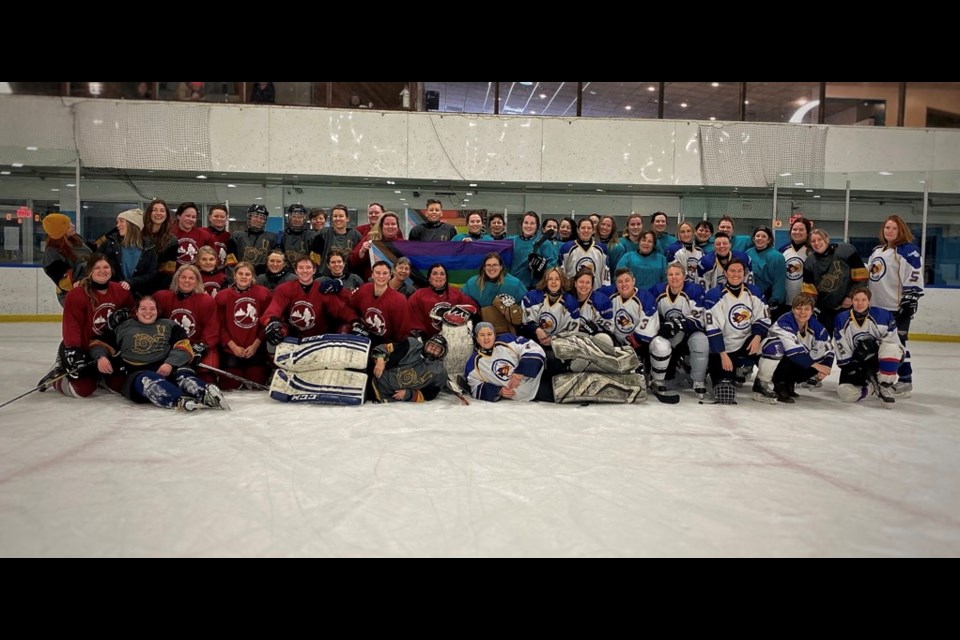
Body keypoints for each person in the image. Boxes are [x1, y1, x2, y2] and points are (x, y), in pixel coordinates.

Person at [90, 295, 227, 411]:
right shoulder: (124, 327)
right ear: (136, 311)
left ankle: (204, 393)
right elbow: (98, 344)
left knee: (183, 377)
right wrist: (101, 357)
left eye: (152, 309)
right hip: (136, 372)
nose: (148, 312)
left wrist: (170, 363)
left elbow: (184, 346)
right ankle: (178, 400)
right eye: (143, 308)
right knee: (148, 379)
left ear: (158, 311)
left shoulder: (169, 325)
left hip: (167, 367)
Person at [37, 253, 134, 397]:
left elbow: (133, 313)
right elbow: (71, 326)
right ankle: (58, 377)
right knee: (82, 390)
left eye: (106, 267)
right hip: (82, 347)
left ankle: (100, 377)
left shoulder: (121, 292)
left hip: (106, 347)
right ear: (89, 272)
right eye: (97, 268)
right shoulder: (77, 294)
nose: (102, 271)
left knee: (119, 385)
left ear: (112, 270)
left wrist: (127, 314)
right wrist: (74, 350)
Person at [867, 214, 923, 398]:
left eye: (894, 228)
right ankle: (880, 377)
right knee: (879, 345)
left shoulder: (908, 250)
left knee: (898, 345)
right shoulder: (877, 251)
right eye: (887, 228)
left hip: (895, 307)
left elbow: (914, 274)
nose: (889, 231)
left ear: (901, 231)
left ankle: (906, 380)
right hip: (876, 307)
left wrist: (910, 299)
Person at [703, 259, 769, 402]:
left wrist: (757, 337)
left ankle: (762, 382)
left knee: (773, 345)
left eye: (740, 271)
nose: (736, 274)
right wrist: (723, 355)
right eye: (732, 271)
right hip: (724, 349)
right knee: (725, 393)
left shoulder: (754, 292)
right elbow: (713, 328)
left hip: (747, 342)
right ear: (725, 273)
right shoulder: (714, 295)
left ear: (745, 274)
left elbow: (762, 318)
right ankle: (732, 370)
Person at [752, 293, 834, 404]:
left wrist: (826, 366)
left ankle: (788, 382)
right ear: (792, 309)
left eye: (806, 309)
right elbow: (792, 352)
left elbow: (828, 348)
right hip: (768, 357)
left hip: (790, 358)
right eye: (798, 308)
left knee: (816, 359)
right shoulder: (784, 321)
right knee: (780, 349)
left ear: (812, 310)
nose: (802, 312)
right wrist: (817, 366)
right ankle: (769, 383)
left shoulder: (816, 325)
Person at [261, 256, 359, 345]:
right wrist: (271, 322)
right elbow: (274, 308)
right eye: (301, 268)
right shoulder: (284, 289)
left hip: (320, 338)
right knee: (275, 331)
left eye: (308, 268)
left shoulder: (322, 289)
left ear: (314, 270)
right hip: (293, 337)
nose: (304, 271)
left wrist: (355, 321)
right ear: (295, 271)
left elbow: (341, 309)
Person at [834, 286, 904, 408]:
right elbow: (841, 346)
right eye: (856, 300)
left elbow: (893, 344)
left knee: (891, 349)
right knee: (845, 393)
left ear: (869, 301)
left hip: (878, 360)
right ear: (851, 301)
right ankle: (871, 387)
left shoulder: (883, 316)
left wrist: (873, 350)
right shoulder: (841, 319)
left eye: (863, 300)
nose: (860, 303)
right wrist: (857, 368)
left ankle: (885, 385)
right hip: (857, 363)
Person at [648, 264, 709, 400]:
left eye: (677, 274)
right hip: (669, 335)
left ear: (684, 276)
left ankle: (698, 379)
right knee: (659, 343)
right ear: (666, 277)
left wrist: (678, 324)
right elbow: (649, 313)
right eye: (670, 274)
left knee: (701, 341)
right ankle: (658, 378)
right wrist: (664, 326)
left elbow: (700, 320)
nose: (674, 277)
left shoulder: (694, 290)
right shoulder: (657, 290)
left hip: (690, 333)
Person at [153, 264, 220, 382]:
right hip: (172, 347)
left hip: (197, 345)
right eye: (183, 277)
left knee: (207, 379)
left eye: (191, 278)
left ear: (197, 281)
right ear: (177, 278)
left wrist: (199, 348)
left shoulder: (206, 301)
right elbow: (147, 316)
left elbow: (212, 329)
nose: (187, 281)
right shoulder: (161, 297)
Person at [214, 261, 272, 391]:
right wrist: (233, 347)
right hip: (232, 350)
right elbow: (220, 325)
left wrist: (255, 345)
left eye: (247, 274)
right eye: (240, 273)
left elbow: (266, 323)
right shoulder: (222, 296)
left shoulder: (263, 294)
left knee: (256, 382)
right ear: (234, 275)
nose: (244, 277)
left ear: (253, 277)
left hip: (255, 349)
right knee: (231, 385)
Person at [801, 228, 868, 334]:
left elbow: (861, 277)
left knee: (848, 336)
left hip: (849, 305)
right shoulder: (810, 262)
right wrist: (813, 307)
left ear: (827, 239)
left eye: (820, 239)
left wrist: (852, 296)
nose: (817, 243)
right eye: (813, 241)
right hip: (825, 308)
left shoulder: (846, 250)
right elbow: (809, 290)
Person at [465, 322, 549, 402]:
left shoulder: (506, 340)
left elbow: (533, 348)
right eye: (482, 335)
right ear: (477, 338)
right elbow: (475, 386)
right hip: (525, 394)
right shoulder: (473, 363)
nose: (486, 338)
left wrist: (521, 371)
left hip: (538, 376)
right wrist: (498, 391)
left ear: (494, 335)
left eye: (489, 334)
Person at [92, 208, 158, 297]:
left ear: (132, 224)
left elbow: (151, 274)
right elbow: (93, 263)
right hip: (111, 294)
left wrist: (131, 282)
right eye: (117, 222)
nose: (118, 225)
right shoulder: (110, 243)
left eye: (121, 221)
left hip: (138, 296)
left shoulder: (149, 248)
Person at [461, 252, 528, 334]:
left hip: (508, 332)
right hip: (480, 331)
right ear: (484, 267)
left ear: (501, 267)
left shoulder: (514, 284)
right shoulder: (472, 284)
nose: (491, 268)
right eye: (488, 265)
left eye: (495, 265)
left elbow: (526, 308)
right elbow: (463, 305)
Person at [369, 334, 449, 403]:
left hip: (385, 396)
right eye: (431, 345)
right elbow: (384, 348)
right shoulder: (411, 346)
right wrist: (380, 360)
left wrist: (409, 394)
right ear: (426, 344)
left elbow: (430, 394)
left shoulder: (440, 373)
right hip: (371, 376)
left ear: (442, 354)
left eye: (437, 349)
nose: (433, 349)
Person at [349, 261, 411, 345]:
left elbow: (402, 333)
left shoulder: (399, 300)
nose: (381, 276)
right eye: (377, 273)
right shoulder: (364, 289)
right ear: (372, 275)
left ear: (390, 276)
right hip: (364, 335)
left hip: (384, 343)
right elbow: (350, 306)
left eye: (385, 273)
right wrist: (355, 321)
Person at [408, 263, 477, 339]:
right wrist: (420, 336)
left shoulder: (456, 293)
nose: (438, 276)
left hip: (454, 339)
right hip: (428, 340)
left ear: (446, 278)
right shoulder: (419, 295)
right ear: (429, 278)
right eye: (435, 273)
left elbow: (473, 308)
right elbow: (410, 315)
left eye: (442, 274)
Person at [41, 213, 92, 307]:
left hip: (89, 287)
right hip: (71, 293)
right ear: (60, 231)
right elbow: (64, 282)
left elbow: (95, 249)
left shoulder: (76, 239)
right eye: (68, 226)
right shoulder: (52, 253)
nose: (73, 226)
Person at [521, 267, 579, 347]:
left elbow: (571, 332)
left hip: (558, 346)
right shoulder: (533, 297)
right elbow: (525, 323)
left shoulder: (570, 303)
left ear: (562, 281)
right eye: (550, 279)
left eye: (557, 279)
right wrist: (537, 330)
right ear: (545, 281)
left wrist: (554, 340)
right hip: (534, 342)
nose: (553, 282)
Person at [510, 210, 559, 289]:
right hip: (514, 287)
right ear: (521, 224)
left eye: (532, 223)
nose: (528, 226)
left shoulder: (544, 243)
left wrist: (543, 266)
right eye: (526, 223)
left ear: (537, 226)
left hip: (535, 288)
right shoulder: (512, 241)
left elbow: (554, 267)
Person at [350, 211, 404, 281]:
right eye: (387, 224)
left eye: (393, 224)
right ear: (381, 226)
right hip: (373, 282)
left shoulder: (403, 244)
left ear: (397, 227)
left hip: (396, 283)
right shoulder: (370, 239)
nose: (390, 226)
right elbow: (353, 261)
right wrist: (362, 251)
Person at [746, 225, 787, 319]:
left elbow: (779, 281)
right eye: (758, 236)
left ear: (769, 240)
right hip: (751, 296)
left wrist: (775, 300)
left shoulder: (777, 257)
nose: (760, 238)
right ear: (753, 238)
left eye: (764, 236)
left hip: (768, 297)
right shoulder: (748, 253)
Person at [226, 204, 278, 275]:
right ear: (249, 218)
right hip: (241, 276)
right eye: (255, 216)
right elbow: (230, 260)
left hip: (262, 278)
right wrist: (234, 276)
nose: (258, 220)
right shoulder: (237, 236)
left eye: (262, 218)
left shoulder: (272, 238)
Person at [559, 217, 610, 290]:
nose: (586, 230)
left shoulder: (602, 249)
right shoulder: (566, 248)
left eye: (589, 228)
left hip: (594, 294)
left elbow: (605, 275)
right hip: (572, 295)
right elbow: (562, 273)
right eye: (583, 228)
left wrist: (604, 291)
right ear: (577, 230)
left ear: (593, 230)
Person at [142, 198, 178, 291]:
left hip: (157, 287)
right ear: (149, 213)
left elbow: (167, 271)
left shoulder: (172, 240)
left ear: (166, 215)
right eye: (154, 210)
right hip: (134, 283)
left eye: (162, 211)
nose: (159, 213)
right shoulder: (137, 233)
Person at [309, 204, 361, 268]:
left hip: (349, 275)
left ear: (347, 218)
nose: (338, 219)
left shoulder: (356, 235)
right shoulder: (323, 234)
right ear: (332, 218)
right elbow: (314, 258)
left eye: (341, 216)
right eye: (335, 216)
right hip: (326, 275)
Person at [780, 216, 812, 312]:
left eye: (801, 229)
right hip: (785, 300)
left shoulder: (812, 251)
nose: (797, 232)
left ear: (807, 232)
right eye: (794, 229)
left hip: (806, 302)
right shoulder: (783, 250)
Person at [171, 201, 213, 268]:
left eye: (194, 217)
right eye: (188, 216)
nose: (191, 219)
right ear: (178, 216)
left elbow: (212, 258)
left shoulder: (204, 235)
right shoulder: (169, 234)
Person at [571, 268, 613, 334]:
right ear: (575, 283)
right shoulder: (568, 299)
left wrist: (596, 330)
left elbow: (609, 330)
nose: (584, 285)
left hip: (593, 341)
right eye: (581, 282)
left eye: (588, 282)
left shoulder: (601, 301)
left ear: (591, 286)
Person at [205, 203, 233, 271]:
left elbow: (231, 261)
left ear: (226, 218)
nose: (219, 219)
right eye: (216, 216)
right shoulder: (202, 233)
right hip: (204, 274)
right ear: (210, 217)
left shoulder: (230, 237)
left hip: (222, 274)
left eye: (222, 217)